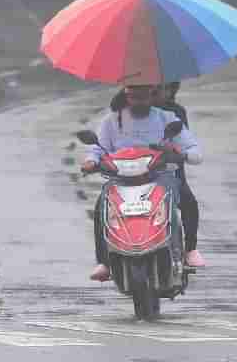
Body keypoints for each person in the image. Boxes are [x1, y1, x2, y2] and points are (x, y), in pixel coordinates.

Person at [83, 84, 202, 282]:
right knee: (101, 207)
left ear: (153, 95)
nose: (138, 101)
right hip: (120, 179)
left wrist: (181, 154)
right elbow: (98, 149)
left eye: (143, 96)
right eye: (133, 96)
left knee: (188, 201)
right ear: (126, 96)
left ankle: (189, 249)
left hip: (160, 177)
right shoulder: (111, 121)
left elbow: (194, 150)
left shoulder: (167, 118)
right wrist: (91, 161)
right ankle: (104, 261)